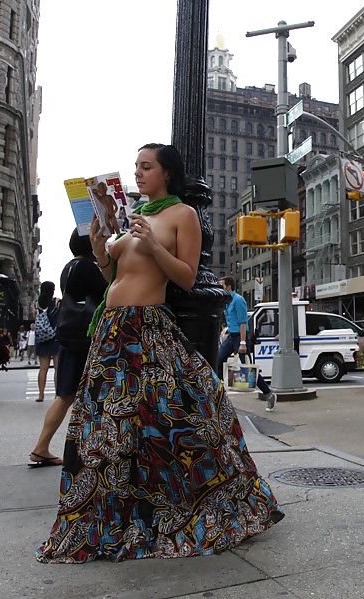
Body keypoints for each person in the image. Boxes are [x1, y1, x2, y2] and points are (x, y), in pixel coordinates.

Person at [36, 143, 282, 563]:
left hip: (148, 328)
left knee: (177, 418)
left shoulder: (182, 215)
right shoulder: (132, 219)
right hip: (111, 331)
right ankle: (112, 514)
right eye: (136, 167)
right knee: (104, 430)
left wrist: (152, 245)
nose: (138, 174)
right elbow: (114, 274)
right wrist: (100, 246)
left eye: (146, 166)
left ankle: (189, 504)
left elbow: (186, 278)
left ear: (167, 172)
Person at [28, 229, 107, 468]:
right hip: (85, 336)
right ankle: (48, 448)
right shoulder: (88, 268)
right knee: (90, 395)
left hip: (69, 335)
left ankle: (42, 446)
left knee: (65, 395)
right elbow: (108, 292)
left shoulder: (68, 267)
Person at [217, 276, 277, 411]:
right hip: (231, 336)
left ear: (228, 286)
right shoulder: (226, 301)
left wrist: (243, 342)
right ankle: (220, 395)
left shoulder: (238, 300)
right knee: (218, 361)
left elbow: (243, 323)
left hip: (240, 337)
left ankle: (268, 394)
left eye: (221, 285)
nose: (220, 287)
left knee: (247, 368)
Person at [35, 282, 60, 401]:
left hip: (42, 339)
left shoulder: (38, 304)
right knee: (57, 368)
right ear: (52, 290)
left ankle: (41, 394)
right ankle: (57, 395)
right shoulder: (56, 302)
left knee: (43, 368)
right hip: (55, 338)